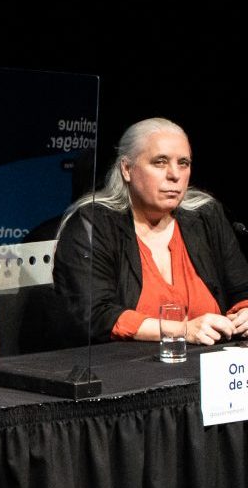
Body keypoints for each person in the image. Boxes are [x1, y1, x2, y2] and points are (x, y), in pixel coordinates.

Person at [53, 117, 248, 345]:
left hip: (210, 367)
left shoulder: (207, 216)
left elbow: (241, 289)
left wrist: (245, 312)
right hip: (126, 369)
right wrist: (183, 330)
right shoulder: (93, 223)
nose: (174, 174)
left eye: (183, 163)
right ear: (126, 169)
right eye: (160, 162)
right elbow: (95, 314)